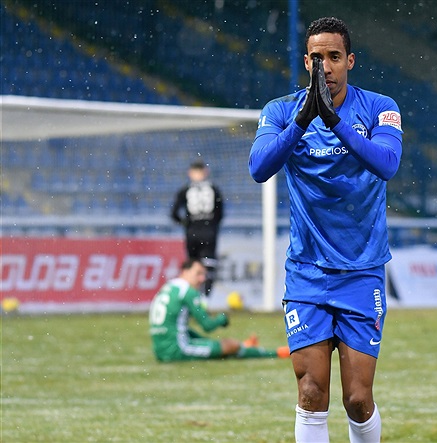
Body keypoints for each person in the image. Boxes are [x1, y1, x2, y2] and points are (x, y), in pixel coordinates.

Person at [249, 16, 403, 443]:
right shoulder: (281, 111)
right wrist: (302, 120)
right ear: (306, 62)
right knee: (312, 391)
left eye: (334, 56)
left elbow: (387, 164)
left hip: (362, 271)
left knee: (357, 398)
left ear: (350, 60)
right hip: (307, 274)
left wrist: (334, 122)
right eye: (317, 58)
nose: (326, 67)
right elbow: (258, 169)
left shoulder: (380, 107)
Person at [148, 258, 289, 362]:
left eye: (203, 274)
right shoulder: (188, 292)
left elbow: (177, 327)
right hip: (177, 350)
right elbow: (207, 326)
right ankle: (275, 353)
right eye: (198, 273)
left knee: (220, 345)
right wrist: (223, 318)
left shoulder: (168, 287)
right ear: (185, 271)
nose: (202, 278)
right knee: (230, 346)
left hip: (160, 351)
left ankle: (245, 345)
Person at [170, 160, 224, 297]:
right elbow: (220, 212)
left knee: (193, 265)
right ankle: (206, 297)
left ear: (190, 173)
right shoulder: (213, 189)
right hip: (209, 231)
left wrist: (186, 223)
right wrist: (212, 223)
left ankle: (191, 297)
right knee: (209, 264)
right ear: (206, 172)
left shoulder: (185, 189)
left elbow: (174, 213)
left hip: (192, 231)